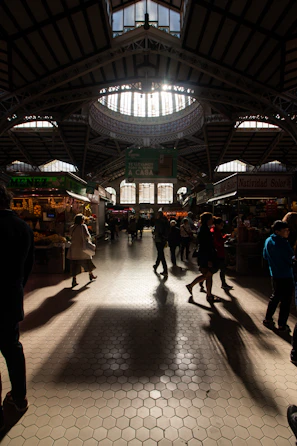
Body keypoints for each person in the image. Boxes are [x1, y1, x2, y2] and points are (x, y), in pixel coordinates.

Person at [0, 183, 34, 418]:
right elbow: (27, 267)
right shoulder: (23, 227)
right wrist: (15, 288)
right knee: (13, 349)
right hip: (10, 299)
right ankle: (19, 398)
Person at [263, 220, 294, 332]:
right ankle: (282, 324)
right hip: (286, 274)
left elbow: (265, 256)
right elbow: (290, 258)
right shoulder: (283, 243)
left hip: (274, 273)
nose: (287, 232)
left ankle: (267, 318)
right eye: (285, 230)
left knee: (275, 297)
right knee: (286, 300)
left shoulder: (268, 241)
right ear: (277, 231)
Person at [186, 212, 220, 303]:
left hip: (204, 255)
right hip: (205, 256)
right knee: (207, 275)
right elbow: (206, 246)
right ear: (208, 220)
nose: (212, 220)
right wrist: (209, 259)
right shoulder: (205, 230)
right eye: (211, 219)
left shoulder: (203, 229)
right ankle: (191, 285)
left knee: (209, 276)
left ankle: (209, 295)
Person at [67, 213, 97, 287]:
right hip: (82, 248)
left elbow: (69, 235)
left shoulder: (72, 227)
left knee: (74, 265)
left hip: (74, 248)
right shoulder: (83, 226)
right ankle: (91, 275)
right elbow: (87, 235)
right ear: (81, 220)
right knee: (87, 262)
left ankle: (74, 280)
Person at [210, 217, 233, 290]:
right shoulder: (215, 231)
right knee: (217, 269)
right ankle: (201, 280)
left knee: (220, 269)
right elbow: (219, 242)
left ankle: (224, 283)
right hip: (218, 253)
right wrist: (226, 237)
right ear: (217, 224)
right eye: (221, 225)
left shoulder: (214, 230)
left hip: (218, 252)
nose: (222, 226)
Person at [153, 211, 169, 277]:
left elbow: (157, 231)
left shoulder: (159, 222)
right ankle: (156, 265)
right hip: (164, 239)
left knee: (161, 254)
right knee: (160, 253)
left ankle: (165, 270)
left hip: (159, 239)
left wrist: (154, 233)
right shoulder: (166, 221)